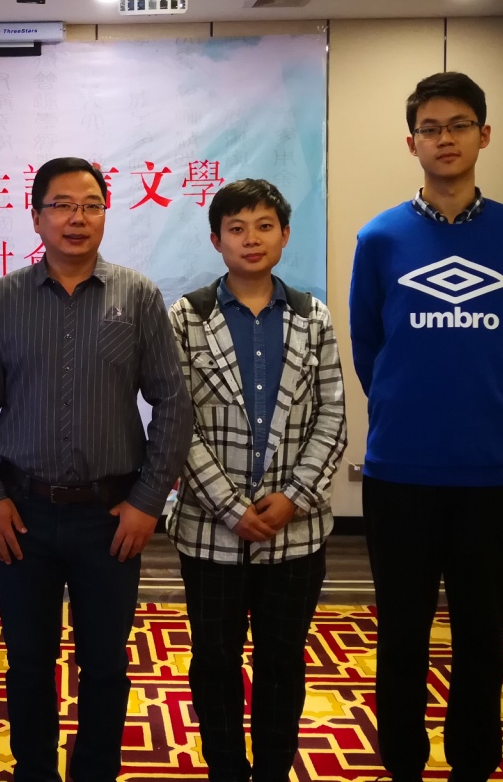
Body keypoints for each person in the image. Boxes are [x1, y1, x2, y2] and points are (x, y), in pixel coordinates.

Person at [0, 156, 191, 782]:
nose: (76, 218)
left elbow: (173, 400)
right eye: (61, 205)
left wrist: (147, 501)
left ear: (105, 215)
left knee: (106, 665)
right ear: (36, 217)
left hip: (109, 517)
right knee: (28, 664)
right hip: (22, 513)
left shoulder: (137, 295)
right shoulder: (5, 298)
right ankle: (34, 772)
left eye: (90, 205)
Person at [349, 72, 503, 782]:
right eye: (429, 129)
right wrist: (408, 401)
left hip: (496, 469)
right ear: (412, 144)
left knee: (482, 639)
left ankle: (473, 764)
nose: (445, 139)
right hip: (402, 469)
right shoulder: (380, 237)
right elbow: (369, 345)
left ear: (483, 134)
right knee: (401, 634)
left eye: (458, 125)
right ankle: (401, 763)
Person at [168, 179, 347, 782]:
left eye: (265, 226)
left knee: (283, 661)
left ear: (285, 235)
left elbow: (333, 415)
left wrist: (293, 498)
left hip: (295, 533)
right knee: (214, 660)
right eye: (237, 228)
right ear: (216, 239)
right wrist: (228, 507)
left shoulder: (312, 316)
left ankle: (272, 770)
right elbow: (176, 422)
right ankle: (225, 770)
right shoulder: (186, 317)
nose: (252, 239)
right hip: (210, 533)